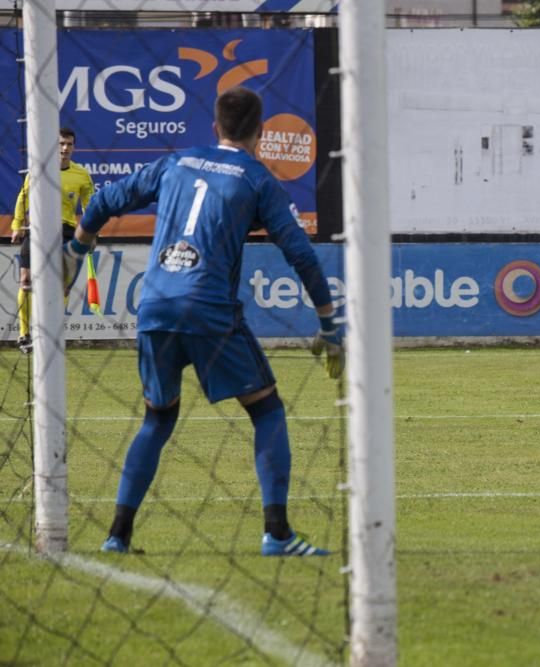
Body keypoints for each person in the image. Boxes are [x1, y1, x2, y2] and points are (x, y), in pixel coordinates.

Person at [67, 86, 343, 556]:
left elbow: (107, 199)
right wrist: (328, 326)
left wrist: (77, 248)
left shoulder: (176, 162)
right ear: (260, 134)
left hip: (153, 305)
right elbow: (300, 253)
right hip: (208, 305)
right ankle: (277, 534)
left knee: (158, 418)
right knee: (267, 409)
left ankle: (117, 535)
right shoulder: (257, 179)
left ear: (214, 127)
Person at [10, 128, 94, 354]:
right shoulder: (38, 170)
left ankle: (53, 334)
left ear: (74, 147)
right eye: (61, 144)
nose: (65, 148)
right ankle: (24, 335)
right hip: (37, 230)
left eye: (69, 144)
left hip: (65, 231)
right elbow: (23, 198)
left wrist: (92, 231)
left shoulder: (82, 175)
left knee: (62, 287)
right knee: (26, 281)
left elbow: (90, 207)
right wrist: (17, 225)